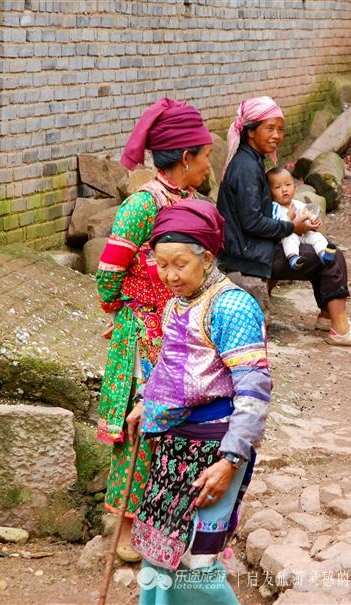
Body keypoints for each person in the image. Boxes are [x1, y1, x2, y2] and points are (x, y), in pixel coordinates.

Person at [125, 199, 270, 604]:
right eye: (161, 264)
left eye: (180, 264)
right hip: (175, 446)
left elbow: (254, 389)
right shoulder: (175, 306)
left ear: (206, 258)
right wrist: (146, 402)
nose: (169, 275)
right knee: (159, 551)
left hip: (215, 448)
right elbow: (168, 371)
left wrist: (230, 460)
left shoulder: (233, 306)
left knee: (196, 562)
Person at [95, 97, 214, 561]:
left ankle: (168, 520)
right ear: (185, 157)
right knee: (139, 425)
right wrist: (125, 312)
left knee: (182, 426)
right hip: (144, 335)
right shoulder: (140, 207)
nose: (208, 163)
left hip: (186, 331)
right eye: (204, 155)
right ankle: (126, 531)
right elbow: (108, 273)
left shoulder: (193, 204)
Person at [217, 96, 351, 347]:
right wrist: (293, 227)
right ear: (250, 132)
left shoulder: (251, 160)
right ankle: (341, 329)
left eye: (280, 129)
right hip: (247, 253)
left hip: (248, 246)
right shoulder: (247, 167)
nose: (276, 135)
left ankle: (327, 317)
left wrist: (292, 219)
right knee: (331, 256)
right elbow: (252, 223)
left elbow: (257, 215)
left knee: (320, 248)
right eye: (269, 128)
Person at [267, 166, 337, 270]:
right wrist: (288, 217)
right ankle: (293, 258)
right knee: (289, 239)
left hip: (305, 233)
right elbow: (278, 228)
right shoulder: (275, 208)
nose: (284, 189)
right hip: (289, 234)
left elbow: (308, 215)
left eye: (288, 185)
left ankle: (323, 254)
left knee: (317, 236)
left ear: (294, 188)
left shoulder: (298, 204)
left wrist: (314, 221)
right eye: (277, 187)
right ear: (270, 192)